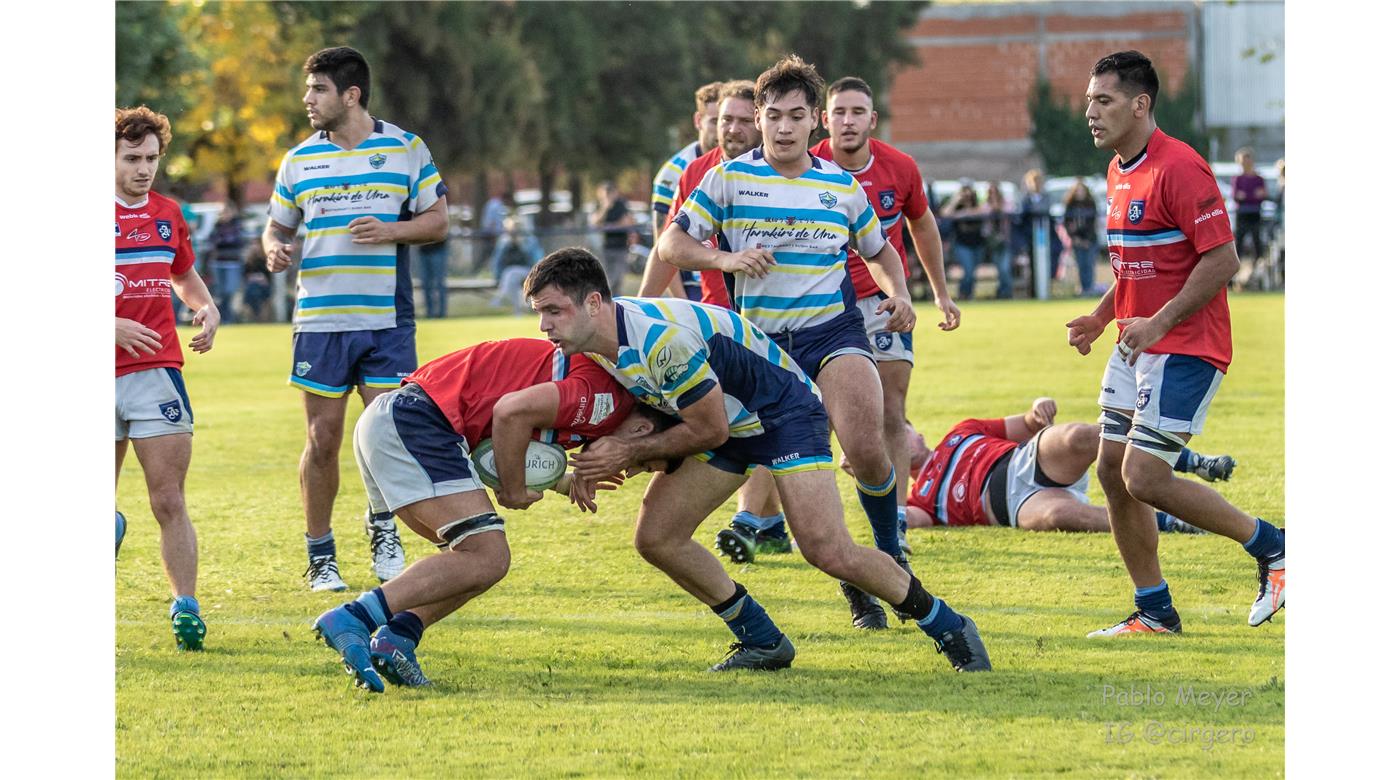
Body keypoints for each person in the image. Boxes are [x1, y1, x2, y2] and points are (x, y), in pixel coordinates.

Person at [527, 248, 992, 672]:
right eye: (539, 313)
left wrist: (628, 452)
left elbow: (709, 431)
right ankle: (762, 639)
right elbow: (656, 413)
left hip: (782, 414)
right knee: (657, 537)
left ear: (592, 303)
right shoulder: (594, 343)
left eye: (553, 311)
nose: (544, 326)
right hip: (727, 420)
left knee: (826, 548)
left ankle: (948, 624)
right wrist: (587, 460)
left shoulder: (659, 341)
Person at [659, 55, 936, 634]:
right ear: (758, 118)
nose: (783, 128)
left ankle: (889, 552)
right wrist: (723, 257)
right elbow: (672, 246)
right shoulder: (728, 179)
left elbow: (881, 251)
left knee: (865, 445)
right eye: (773, 116)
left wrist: (901, 293)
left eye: (796, 116)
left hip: (831, 334)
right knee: (797, 476)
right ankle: (854, 578)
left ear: (816, 121)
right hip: (760, 351)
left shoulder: (839, 185)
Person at [312, 337, 672, 691]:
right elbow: (509, 413)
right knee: (486, 556)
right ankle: (352, 618)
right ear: (642, 429)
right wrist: (513, 490)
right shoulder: (603, 402)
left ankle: (397, 639)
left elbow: (493, 447)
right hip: (416, 419)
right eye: (643, 461)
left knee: (472, 564)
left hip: (405, 419)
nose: (632, 471)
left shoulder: (595, 416)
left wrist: (561, 482)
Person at [1067, 50, 1284, 636]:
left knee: (1144, 476)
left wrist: (1158, 323)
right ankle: (1155, 611)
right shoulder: (1117, 170)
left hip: (1186, 344)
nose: (1090, 111)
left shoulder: (1180, 167)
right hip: (1134, 343)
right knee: (1112, 473)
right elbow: (1136, 267)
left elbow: (1223, 260)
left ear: (1140, 105)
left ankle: (1275, 548)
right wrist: (1098, 317)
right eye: (1089, 100)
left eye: (1103, 100)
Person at [718, 75, 956, 564]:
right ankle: (763, 521)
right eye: (839, 112)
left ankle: (893, 530)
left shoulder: (885, 172)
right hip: (770, 323)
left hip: (855, 313)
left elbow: (904, 237)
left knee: (881, 416)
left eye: (858, 112)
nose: (847, 121)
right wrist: (722, 262)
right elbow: (673, 241)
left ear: (872, 118)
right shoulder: (741, 176)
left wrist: (923, 294)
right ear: (825, 120)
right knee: (789, 426)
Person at [263, 46, 449, 591]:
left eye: (317, 89)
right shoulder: (298, 160)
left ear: (351, 94)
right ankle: (320, 555)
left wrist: (391, 230)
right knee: (323, 439)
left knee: (384, 432)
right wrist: (274, 248)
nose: (307, 100)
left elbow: (437, 221)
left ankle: (383, 529)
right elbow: (277, 227)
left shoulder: (406, 148)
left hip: (387, 318)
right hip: (319, 320)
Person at [115, 105, 221, 651]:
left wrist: (204, 306)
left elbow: (182, 273)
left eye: (151, 158)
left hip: (156, 372)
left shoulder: (168, 213)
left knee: (168, 500)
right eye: (132, 157)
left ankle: (186, 605)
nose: (144, 168)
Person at [894, 398, 1235, 533]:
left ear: (916, 433)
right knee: (1059, 518)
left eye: (898, 434)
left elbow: (1028, 424)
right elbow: (905, 522)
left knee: (1076, 436)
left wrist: (1038, 409)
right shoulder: (917, 500)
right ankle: (1172, 523)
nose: (894, 443)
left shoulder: (961, 431)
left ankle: (1190, 460)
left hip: (1026, 461)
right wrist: (872, 472)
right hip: (1013, 506)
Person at [639, 79, 761, 307]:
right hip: (717, 313)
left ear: (760, 121)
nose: (733, 129)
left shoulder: (781, 169)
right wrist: (637, 311)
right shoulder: (694, 171)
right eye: (725, 120)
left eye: (744, 121)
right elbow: (667, 245)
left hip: (773, 316)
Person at [651, 81, 724, 301]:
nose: (723, 128)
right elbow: (662, 243)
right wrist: (682, 302)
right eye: (715, 121)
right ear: (698, 121)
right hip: (691, 286)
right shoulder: (674, 173)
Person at [944, 180, 1011, 299]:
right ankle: (964, 294)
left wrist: (965, 213)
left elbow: (987, 209)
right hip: (962, 244)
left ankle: (969, 294)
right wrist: (956, 200)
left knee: (973, 273)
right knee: (969, 271)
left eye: (969, 190)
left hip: (978, 244)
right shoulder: (957, 206)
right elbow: (945, 213)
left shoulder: (978, 205)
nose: (967, 194)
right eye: (964, 191)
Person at [487, 216, 545, 313]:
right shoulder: (504, 242)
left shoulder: (529, 240)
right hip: (507, 275)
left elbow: (537, 260)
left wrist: (522, 245)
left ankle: (501, 298)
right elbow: (497, 261)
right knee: (511, 277)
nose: (514, 233)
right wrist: (497, 277)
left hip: (529, 271)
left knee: (511, 273)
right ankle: (517, 311)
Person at [1016, 169, 1063, 284]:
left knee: (1053, 254)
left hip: (1046, 234)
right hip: (1030, 236)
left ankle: (1050, 280)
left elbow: (1046, 211)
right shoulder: (1025, 199)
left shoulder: (1046, 197)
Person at [1230, 147, 1268, 286]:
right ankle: (1234, 277)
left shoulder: (1258, 178)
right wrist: (1252, 196)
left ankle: (1258, 274)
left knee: (1258, 244)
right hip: (1242, 215)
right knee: (1238, 245)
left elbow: (1262, 195)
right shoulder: (1237, 179)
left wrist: (1246, 196)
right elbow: (1236, 196)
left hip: (1255, 214)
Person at [591, 182, 634, 296]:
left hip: (621, 247)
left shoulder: (621, 205)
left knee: (617, 277)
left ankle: (614, 301)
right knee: (608, 275)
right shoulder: (600, 206)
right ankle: (606, 298)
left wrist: (610, 226)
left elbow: (627, 222)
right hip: (606, 247)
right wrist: (605, 208)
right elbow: (595, 222)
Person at [1062, 178, 1101, 296]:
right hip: (1077, 241)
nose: (1080, 193)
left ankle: (1090, 288)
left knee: (1089, 264)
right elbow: (1067, 224)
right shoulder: (1070, 206)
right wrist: (1075, 238)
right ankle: (1084, 289)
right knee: (1081, 265)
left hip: (1090, 240)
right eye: (1078, 191)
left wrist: (1087, 240)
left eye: (1082, 190)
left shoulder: (1091, 204)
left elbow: (1093, 224)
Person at [209, 202, 245, 323]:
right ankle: (223, 317)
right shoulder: (216, 226)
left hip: (233, 263)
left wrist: (223, 241)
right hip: (218, 263)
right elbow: (213, 240)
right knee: (219, 292)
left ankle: (229, 317)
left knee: (229, 291)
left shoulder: (238, 225)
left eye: (225, 212)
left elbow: (235, 241)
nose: (223, 215)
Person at [418, 237, 450, 319]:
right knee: (426, 284)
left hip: (438, 249)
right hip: (424, 251)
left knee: (440, 283)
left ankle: (442, 313)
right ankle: (429, 313)